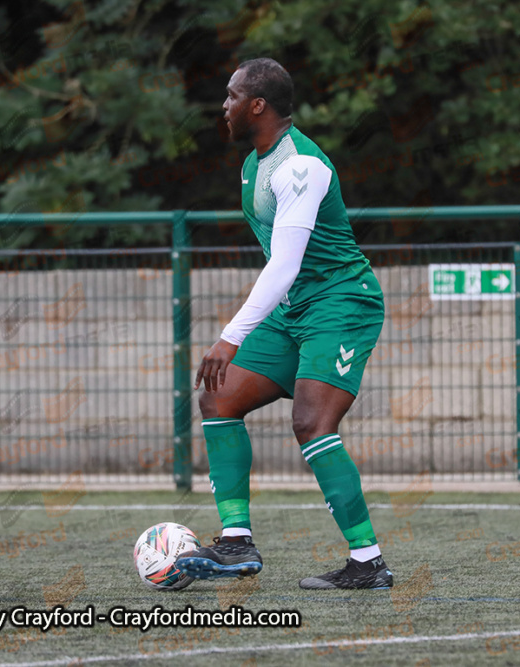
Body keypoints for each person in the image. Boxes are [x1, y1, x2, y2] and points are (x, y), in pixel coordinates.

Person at [175, 58, 392, 590]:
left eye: (230, 97)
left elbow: (286, 262)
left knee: (311, 422)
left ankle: (368, 562)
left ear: (258, 105)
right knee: (218, 400)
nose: (222, 106)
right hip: (295, 308)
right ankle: (235, 543)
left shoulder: (301, 166)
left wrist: (231, 336)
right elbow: (284, 271)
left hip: (342, 302)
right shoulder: (254, 165)